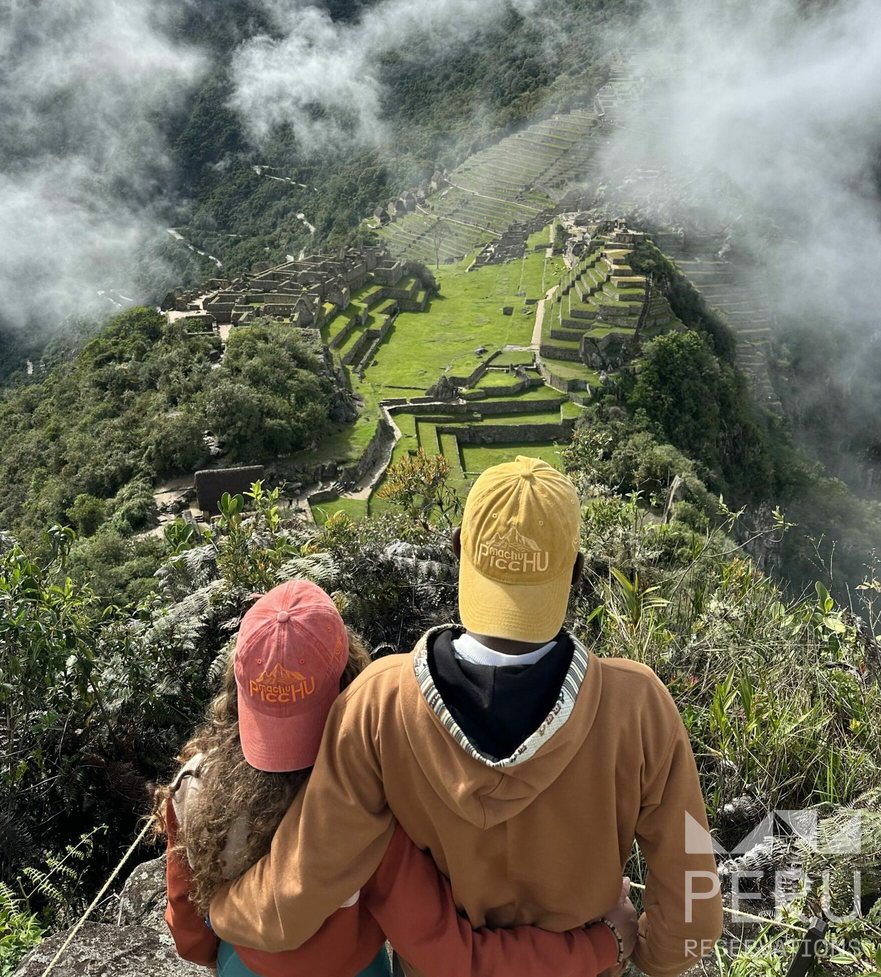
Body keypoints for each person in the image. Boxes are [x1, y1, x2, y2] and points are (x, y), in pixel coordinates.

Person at [209, 458, 724, 977]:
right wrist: (642, 951)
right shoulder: (639, 706)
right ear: (576, 569)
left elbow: (298, 890)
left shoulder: (377, 706)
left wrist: (217, 909)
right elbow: (693, 907)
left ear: (457, 548)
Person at [154, 578, 638, 977]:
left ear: (240, 691)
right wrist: (604, 942)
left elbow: (189, 935)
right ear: (351, 680)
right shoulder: (370, 809)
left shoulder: (192, 789)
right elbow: (453, 957)